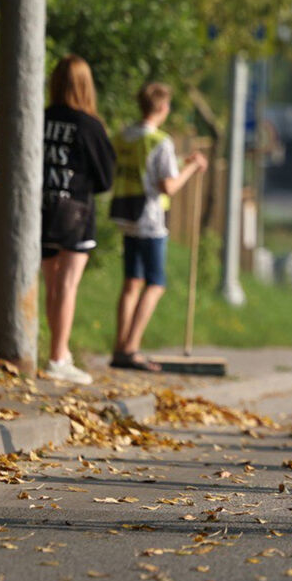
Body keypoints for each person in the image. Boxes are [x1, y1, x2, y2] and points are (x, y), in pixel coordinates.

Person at [109, 83, 207, 371]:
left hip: (126, 214)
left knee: (132, 282)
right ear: (163, 108)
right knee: (156, 284)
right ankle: (131, 348)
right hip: (149, 218)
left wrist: (179, 162)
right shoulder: (160, 141)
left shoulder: (124, 136)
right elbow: (168, 187)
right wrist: (192, 167)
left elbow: (144, 168)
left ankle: (119, 347)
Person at [40, 55, 116, 385]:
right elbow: (105, 177)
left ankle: (59, 351)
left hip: (40, 208)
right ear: (86, 85)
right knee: (68, 284)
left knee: (52, 284)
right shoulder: (89, 125)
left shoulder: (40, 117)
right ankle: (58, 357)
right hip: (76, 212)